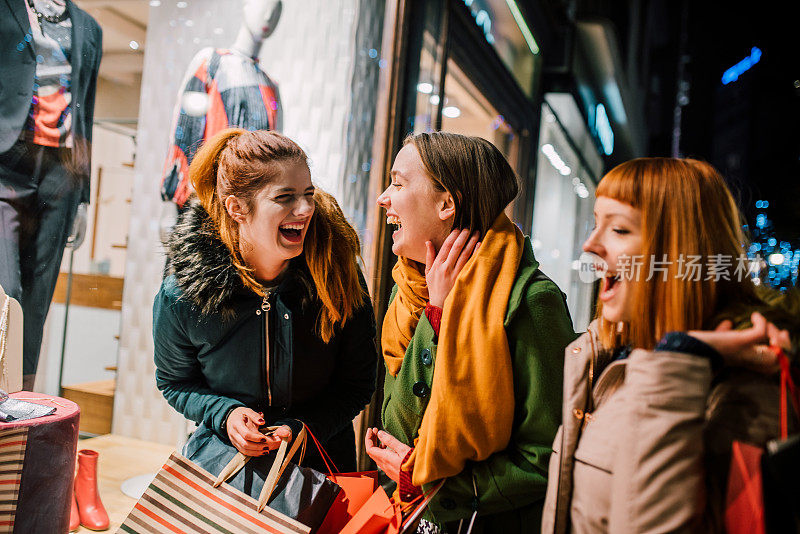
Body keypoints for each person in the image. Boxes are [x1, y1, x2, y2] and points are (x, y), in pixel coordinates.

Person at [541, 158, 799, 533]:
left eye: (618, 229)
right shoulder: (606, 354)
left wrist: (679, 362)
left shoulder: (743, 383)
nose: (590, 244)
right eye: (596, 223)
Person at [366, 132, 576, 532]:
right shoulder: (410, 289)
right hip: (407, 514)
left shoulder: (530, 300)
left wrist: (430, 483)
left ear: (447, 203)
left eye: (397, 182)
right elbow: (400, 421)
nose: (382, 199)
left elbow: (546, 456)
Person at [153, 128, 378, 473]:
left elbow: (358, 383)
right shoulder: (182, 295)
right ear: (237, 208)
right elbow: (174, 382)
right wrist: (224, 414)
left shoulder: (337, 276)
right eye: (285, 197)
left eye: (308, 193)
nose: (304, 209)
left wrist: (304, 429)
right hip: (227, 471)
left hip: (322, 468)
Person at [0, 0, 102, 389]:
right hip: (6, 163)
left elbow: (86, 113)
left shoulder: (88, 27)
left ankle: (23, 401)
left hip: (62, 171)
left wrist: (84, 197)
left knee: (38, 298)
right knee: (6, 290)